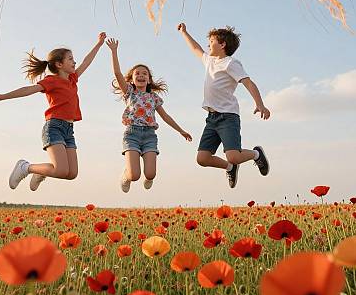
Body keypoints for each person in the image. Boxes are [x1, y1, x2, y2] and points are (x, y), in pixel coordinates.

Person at [0, 32, 106, 191]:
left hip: (69, 130)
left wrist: (99, 44)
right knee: (61, 170)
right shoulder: (51, 81)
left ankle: (42, 172)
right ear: (59, 64)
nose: (74, 61)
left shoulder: (72, 79)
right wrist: (3, 96)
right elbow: (28, 90)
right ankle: (26, 167)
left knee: (72, 174)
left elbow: (86, 61)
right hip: (54, 127)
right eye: (70, 58)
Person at [177, 23, 270, 188]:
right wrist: (184, 32)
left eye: (211, 41)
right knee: (202, 159)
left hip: (228, 116)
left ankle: (256, 154)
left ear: (222, 44)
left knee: (233, 155)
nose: (208, 44)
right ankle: (230, 168)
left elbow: (248, 83)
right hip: (212, 118)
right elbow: (195, 48)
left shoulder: (231, 63)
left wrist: (260, 104)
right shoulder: (209, 61)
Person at [106, 37, 192, 193]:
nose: (141, 75)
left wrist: (181, 130)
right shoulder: (129, 93)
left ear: (149, 79)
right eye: (137, 73)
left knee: (150, 174)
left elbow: (166, 117)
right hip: (132, 134)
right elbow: (117, 73)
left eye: (144, 73)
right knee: (134, 176)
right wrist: (114, 51)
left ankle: (148, 177)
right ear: (131, 79)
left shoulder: (154, 98)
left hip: (149, 136)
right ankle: (125, 175)